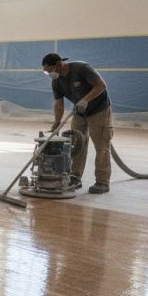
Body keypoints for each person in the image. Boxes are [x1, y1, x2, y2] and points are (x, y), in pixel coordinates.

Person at [41, 53, 112, 194]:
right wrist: (57, 122)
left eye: (50, 70)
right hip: (79, 112)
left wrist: (85, 100)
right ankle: (75, 177)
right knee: (76, 144)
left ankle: (102, 182)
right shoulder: (56, 81)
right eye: (47, 72)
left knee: (101, 146)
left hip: (99, 110)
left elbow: (101, 85)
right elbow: (58, 103)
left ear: (59, 64)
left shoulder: (81, 68)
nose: (50, 73)